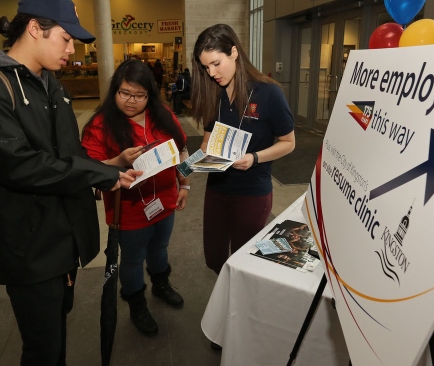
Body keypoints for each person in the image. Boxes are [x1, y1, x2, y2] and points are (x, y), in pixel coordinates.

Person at [0, 0, 142, 366]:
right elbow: (20, 165)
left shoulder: (51, 84)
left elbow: (63, 159)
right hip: (29, 247)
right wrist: (99, 173)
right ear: (36, 29)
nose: (73, 50)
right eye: (66, 39)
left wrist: (109, 163)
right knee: (43, 348)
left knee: (57, 330)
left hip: (63, 240)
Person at [81, 59, 190, 337]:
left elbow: (182, 151)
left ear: (149, 95)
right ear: (114, 90)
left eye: (140, 95)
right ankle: (136, 301)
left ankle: (161, 284)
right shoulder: (100, 124)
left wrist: (185, 184)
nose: (132, 101)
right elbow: (87, 170)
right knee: (132, 259)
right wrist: (117, 160)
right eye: (125, 93)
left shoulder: (163, 115)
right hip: (128, 209)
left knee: (160, 247)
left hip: (165, 200)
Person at [191, 23, 296, 274]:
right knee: (215, 258)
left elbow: (289, 143)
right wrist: (184, 166)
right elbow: (206, 143)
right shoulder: (213, 94)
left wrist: (255, 157)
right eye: (206, 67)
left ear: (234, 52)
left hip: (252, 193)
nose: (212, 73)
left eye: (216, 63)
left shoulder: (269, 93)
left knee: (244, 262)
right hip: (217, 190)